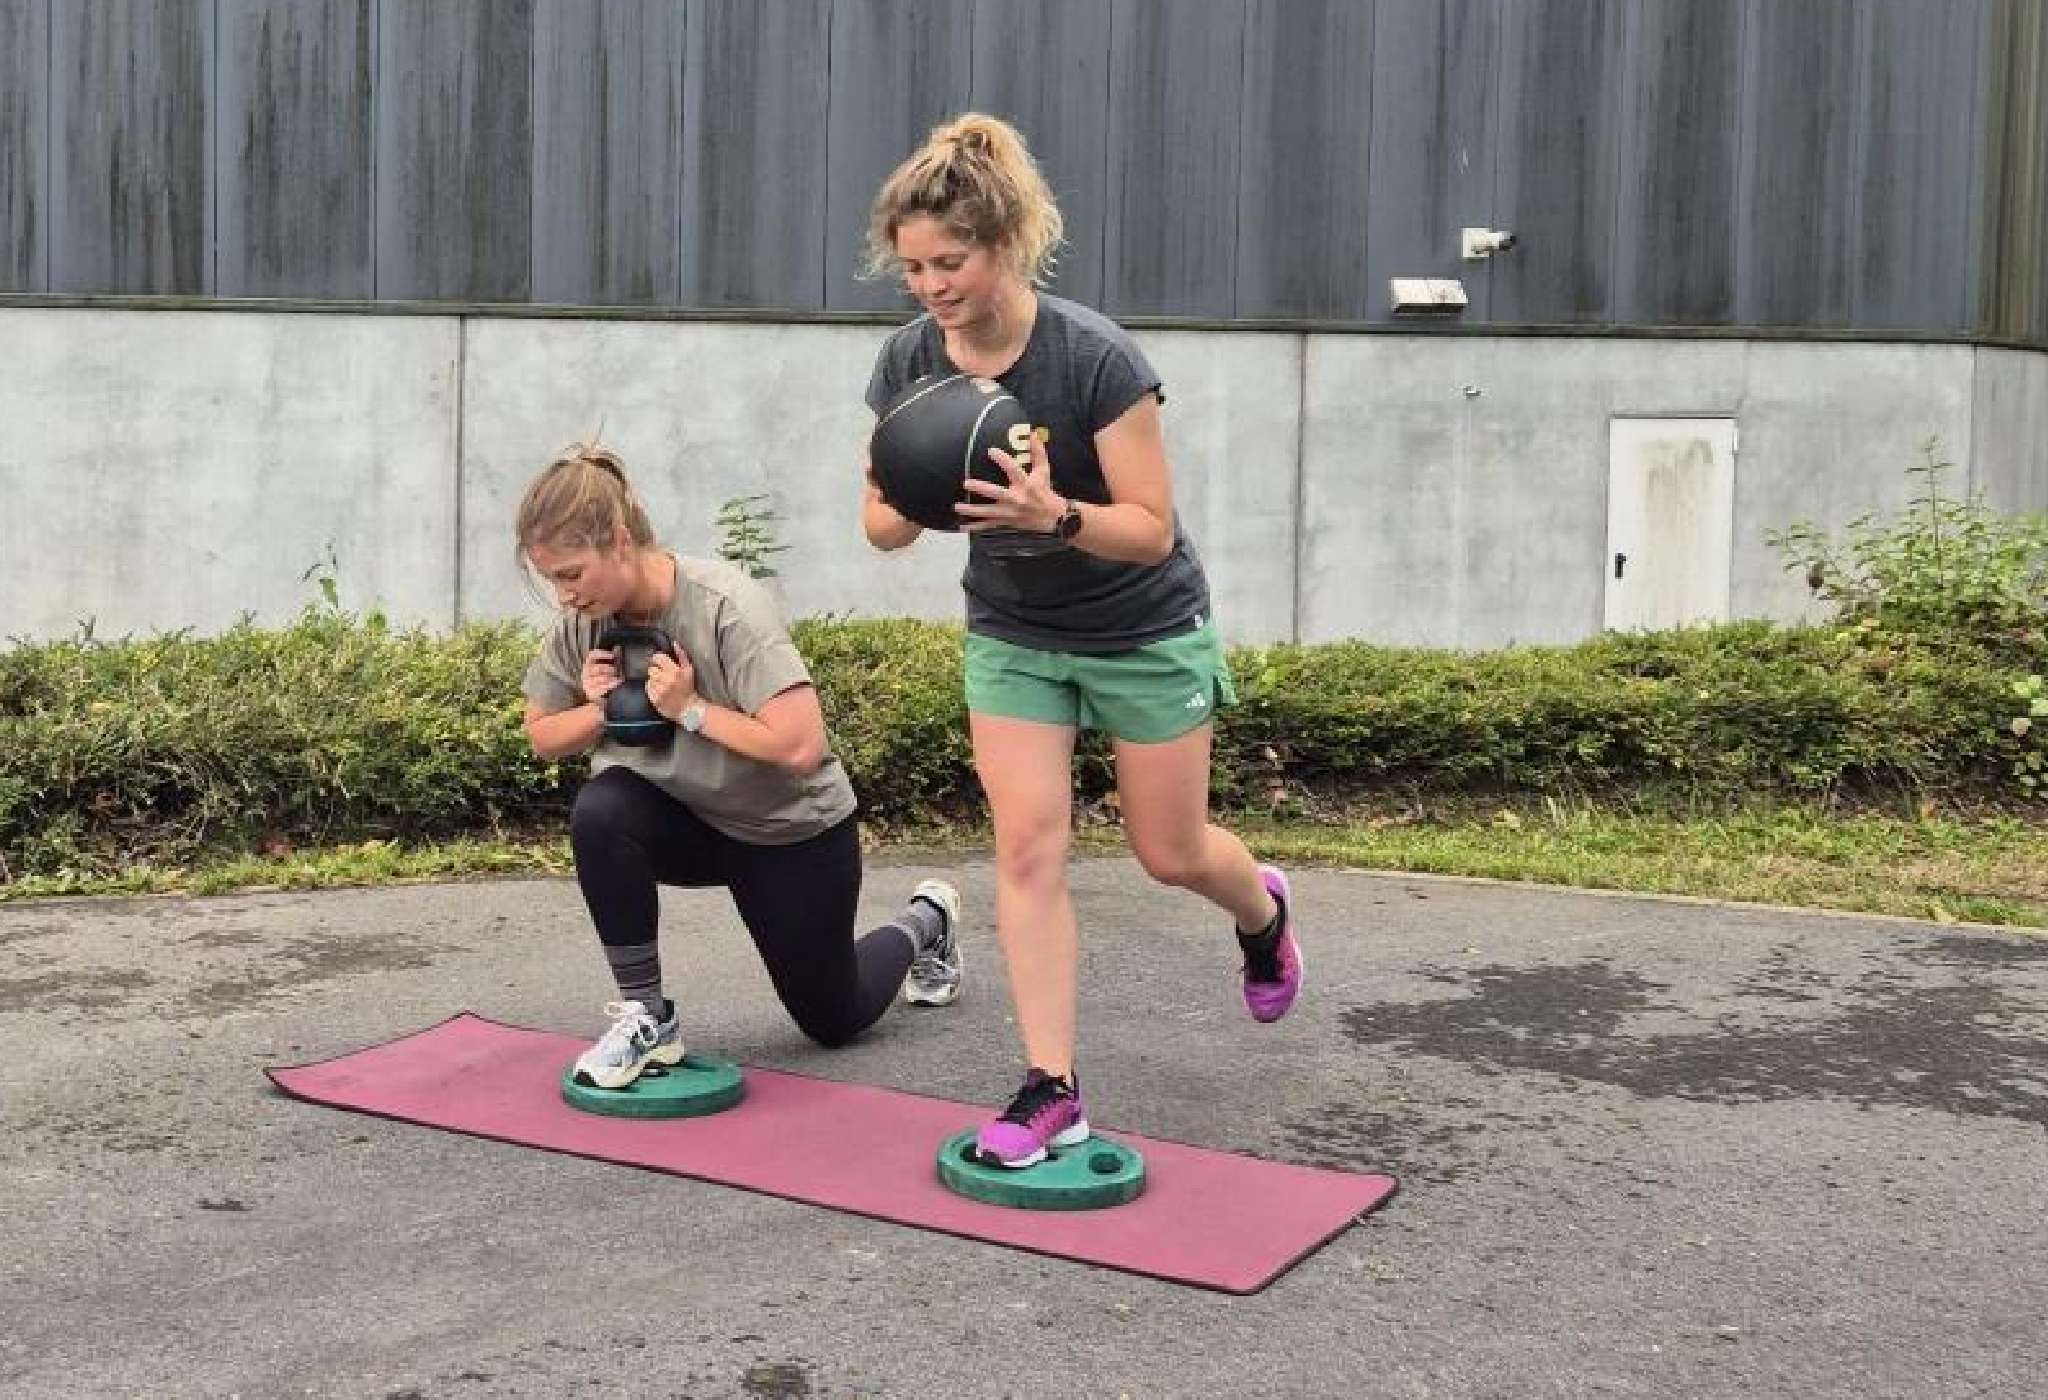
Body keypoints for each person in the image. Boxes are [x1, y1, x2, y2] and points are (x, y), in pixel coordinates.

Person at [858, 114, 1303, 1169]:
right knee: (1025, 849)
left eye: (950, 262)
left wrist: (1049, 514)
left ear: (1004, 244)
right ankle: (1050, 1085)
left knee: (1169, 853)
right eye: (913, 267)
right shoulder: (909, 359)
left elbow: (1149, 530)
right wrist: (923, 495)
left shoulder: (1094, 357)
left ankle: (1262, 913)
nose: (931, 287)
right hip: (1013, 632)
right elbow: (877, 523)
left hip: (1141, 627)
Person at [517, 441, 963, 1088]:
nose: (563, 596)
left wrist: (691, 709)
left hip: (786, 831)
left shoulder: (726, 605)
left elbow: (801, 745)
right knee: (602, 811)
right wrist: (597, 709)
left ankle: (927, 922)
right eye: (550, 580)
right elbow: (542, 735)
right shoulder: (583, 624)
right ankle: (648, 1017)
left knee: (833, 1019)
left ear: (618, 540)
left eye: (571, 575)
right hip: (688, 825)